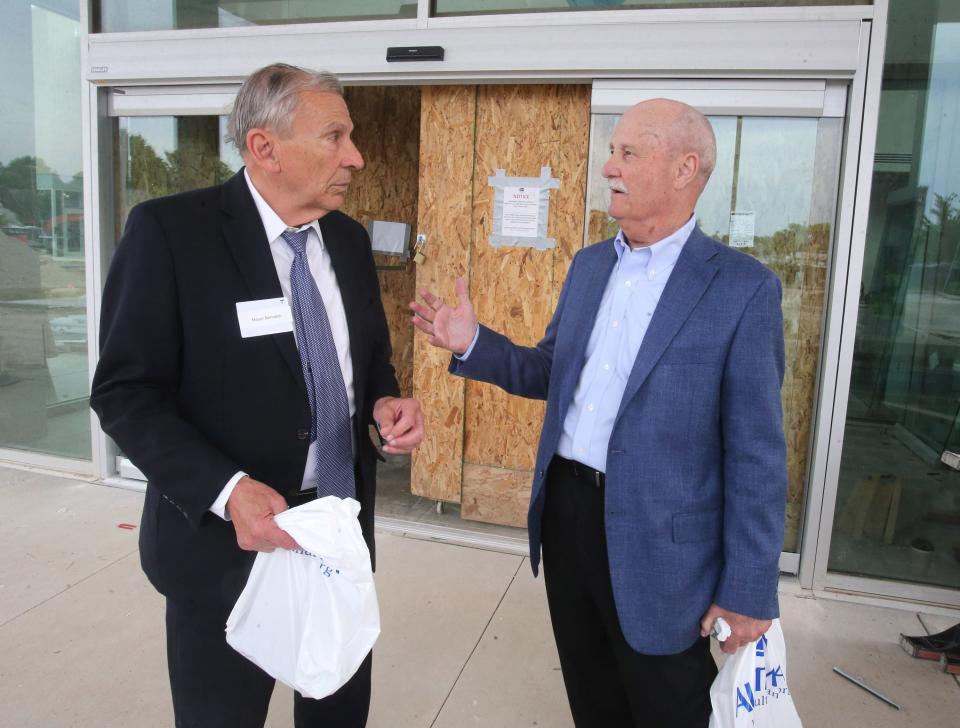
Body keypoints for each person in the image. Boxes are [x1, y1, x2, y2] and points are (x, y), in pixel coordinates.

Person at [411, 98, 787, 727]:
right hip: (569, 517)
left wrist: (748, 588)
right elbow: (549, 373)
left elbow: (756, 454)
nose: (608, 167)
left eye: (628, 153)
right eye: (611, 152)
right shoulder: (589, 267)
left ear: (684, 168)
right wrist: (473, 344)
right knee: (593, 696)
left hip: (664, 543)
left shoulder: (742, 289)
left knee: (668, 706)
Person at [90, 63, 423, 728]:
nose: (355, 158)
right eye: (334, 138)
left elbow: (371, 358)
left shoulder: (349, 241)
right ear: (264, 148)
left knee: (336, 713)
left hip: (335, 533)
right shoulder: (171, 234)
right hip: (226, 548)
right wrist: (226, 487)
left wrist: (385, 401)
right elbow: (127, 392)